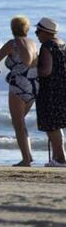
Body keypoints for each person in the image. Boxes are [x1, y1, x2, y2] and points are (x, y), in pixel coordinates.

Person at [0, 16, 39, 167]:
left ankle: (26, 159)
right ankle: (28, 156)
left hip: (18, 84)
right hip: (34, 84)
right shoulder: (33, 43)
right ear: (27, 29)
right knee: (20, 122)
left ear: (12, 29)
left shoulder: (13, 43)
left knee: (18, 124)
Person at [35, 17, 66, 167]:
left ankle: (60, 158)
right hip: (62, 88)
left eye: (38, 31)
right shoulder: (62, 44)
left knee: (52, 125)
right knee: (58, 124)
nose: (36, 34)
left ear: (46, 33)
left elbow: (46, 71)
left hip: (51, 90)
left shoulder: (47, 46)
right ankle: (58, 157)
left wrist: (34, 68)